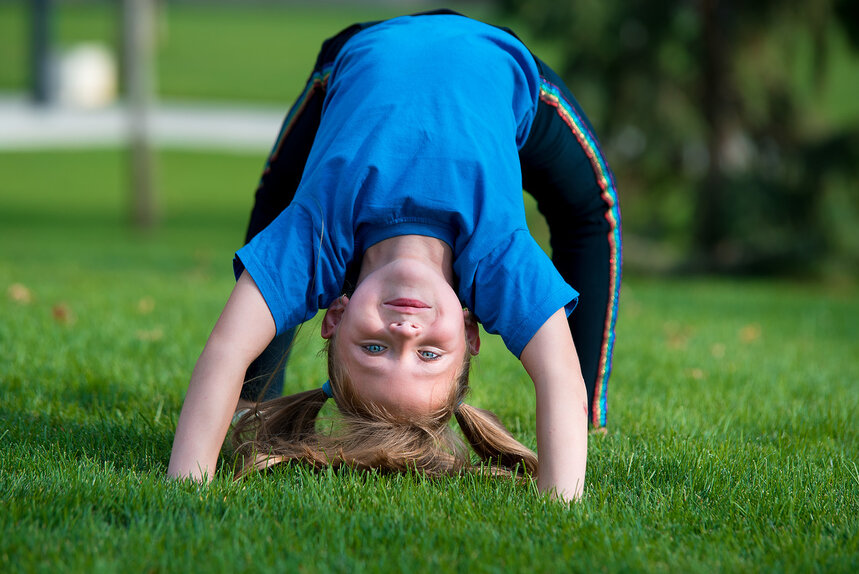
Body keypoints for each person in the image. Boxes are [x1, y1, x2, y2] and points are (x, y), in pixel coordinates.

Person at [167, 10, 621, 502]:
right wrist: (561, 505)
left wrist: (187, 482)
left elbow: (226, 349)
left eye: (373, 348)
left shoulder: (315, 237)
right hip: (496, 58)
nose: (404, 332)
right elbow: (558, 376)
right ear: (470, 332)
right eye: (429, 354)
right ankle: (590, 420)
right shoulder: (497, 258)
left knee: (275, 217)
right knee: (593, 212)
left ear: (335, 317)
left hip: (362, 52)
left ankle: (254, 401)